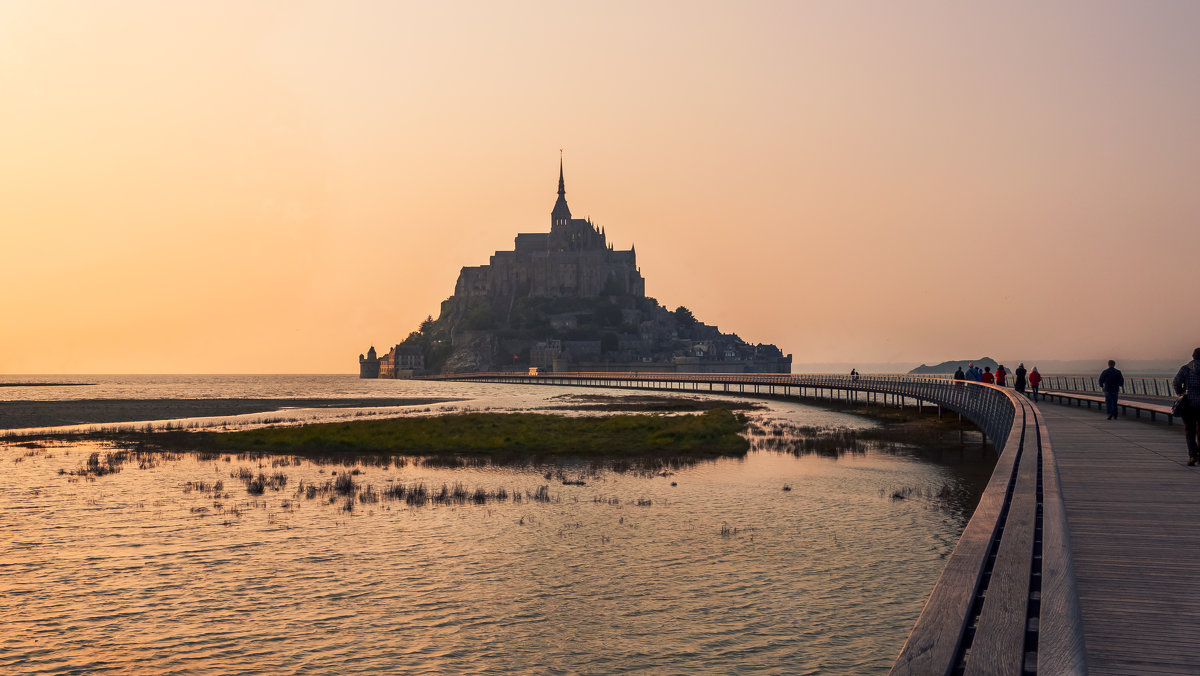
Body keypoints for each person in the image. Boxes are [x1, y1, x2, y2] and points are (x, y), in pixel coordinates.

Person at [1173, 348, 1200, 466]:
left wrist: (1180, 393)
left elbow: (1176, 382)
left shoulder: (1186, 368)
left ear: (1193, 356)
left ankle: (1193, 455)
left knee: (1189, 430)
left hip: (1188, 403)